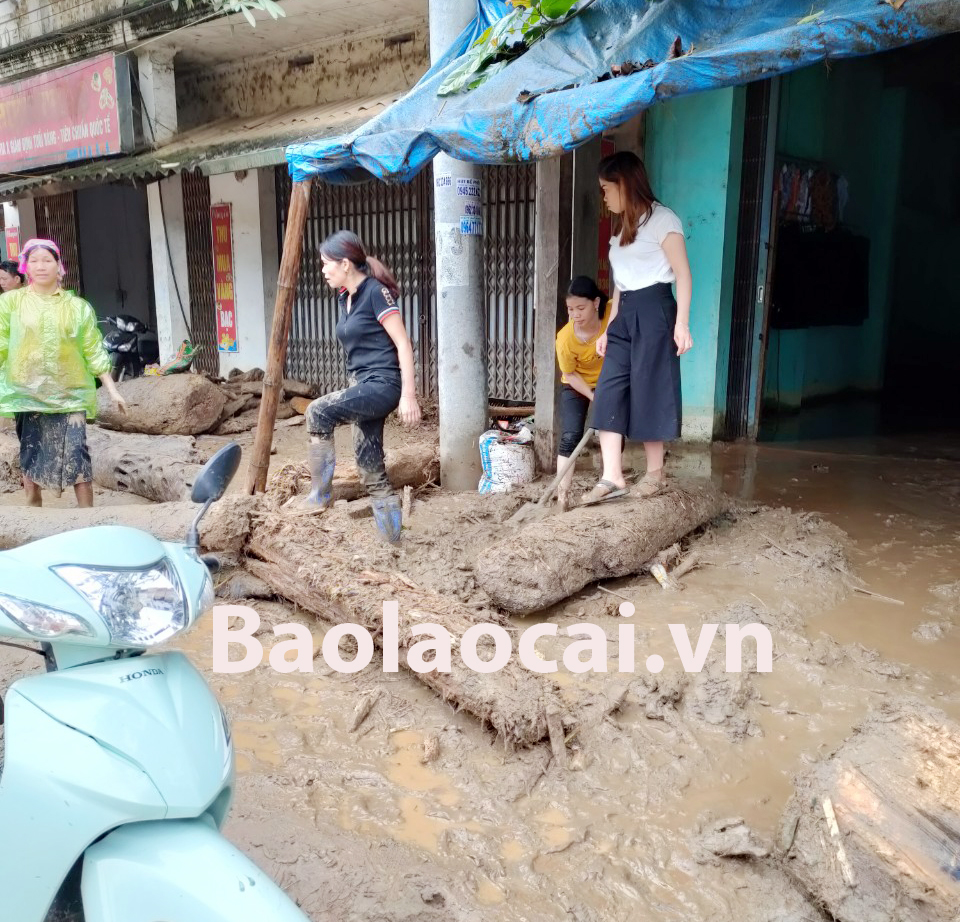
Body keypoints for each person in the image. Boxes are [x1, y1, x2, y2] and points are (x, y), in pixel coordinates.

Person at [581, 151, 693, 505]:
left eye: (606, 189)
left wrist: (682, 324)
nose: (604, 196)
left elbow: (684, 276)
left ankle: (655, 475)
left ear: (625, 185)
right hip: (626, 312)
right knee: (610, 390)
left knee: (650, 389)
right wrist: (608, 328)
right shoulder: (624, 228)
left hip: (655, 310)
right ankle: (612, 477)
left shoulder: (664, 221)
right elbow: (619, 285)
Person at [297, 230, 421, 543]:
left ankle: (320, 496)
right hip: (362, 383)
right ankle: (393, 543)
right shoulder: (346, 297)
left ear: (345, 264)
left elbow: (403, 344)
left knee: (317, 411)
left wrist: (409, 395)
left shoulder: (375, 293)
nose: (323, 270)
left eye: (327, 264)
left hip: (382, 384)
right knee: (370, 469)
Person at [0, 238, 126, 508]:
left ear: (59, 267)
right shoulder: (10, 304)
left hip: (70, 393)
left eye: (48, 260)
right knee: (30, 451)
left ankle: (86, 513)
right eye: (34, 261)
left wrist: (113, 389)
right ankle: (34, 507)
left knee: (77, 451)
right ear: (25, 267)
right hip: (26, 393)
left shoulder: (77, 307)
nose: (41, 266)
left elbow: (92, 349)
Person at [554, 275, 609, 510]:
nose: (575, 314)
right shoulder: (565, 339)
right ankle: (562, 496)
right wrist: (592, 395)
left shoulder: (610, 317)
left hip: (608, 381)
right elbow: (571, 374)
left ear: (596, 303)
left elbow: (620, 301)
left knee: (611, 431)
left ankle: (607, 483)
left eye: (581, 308)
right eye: (570, 309)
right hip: (576, 384)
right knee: (570, 436)